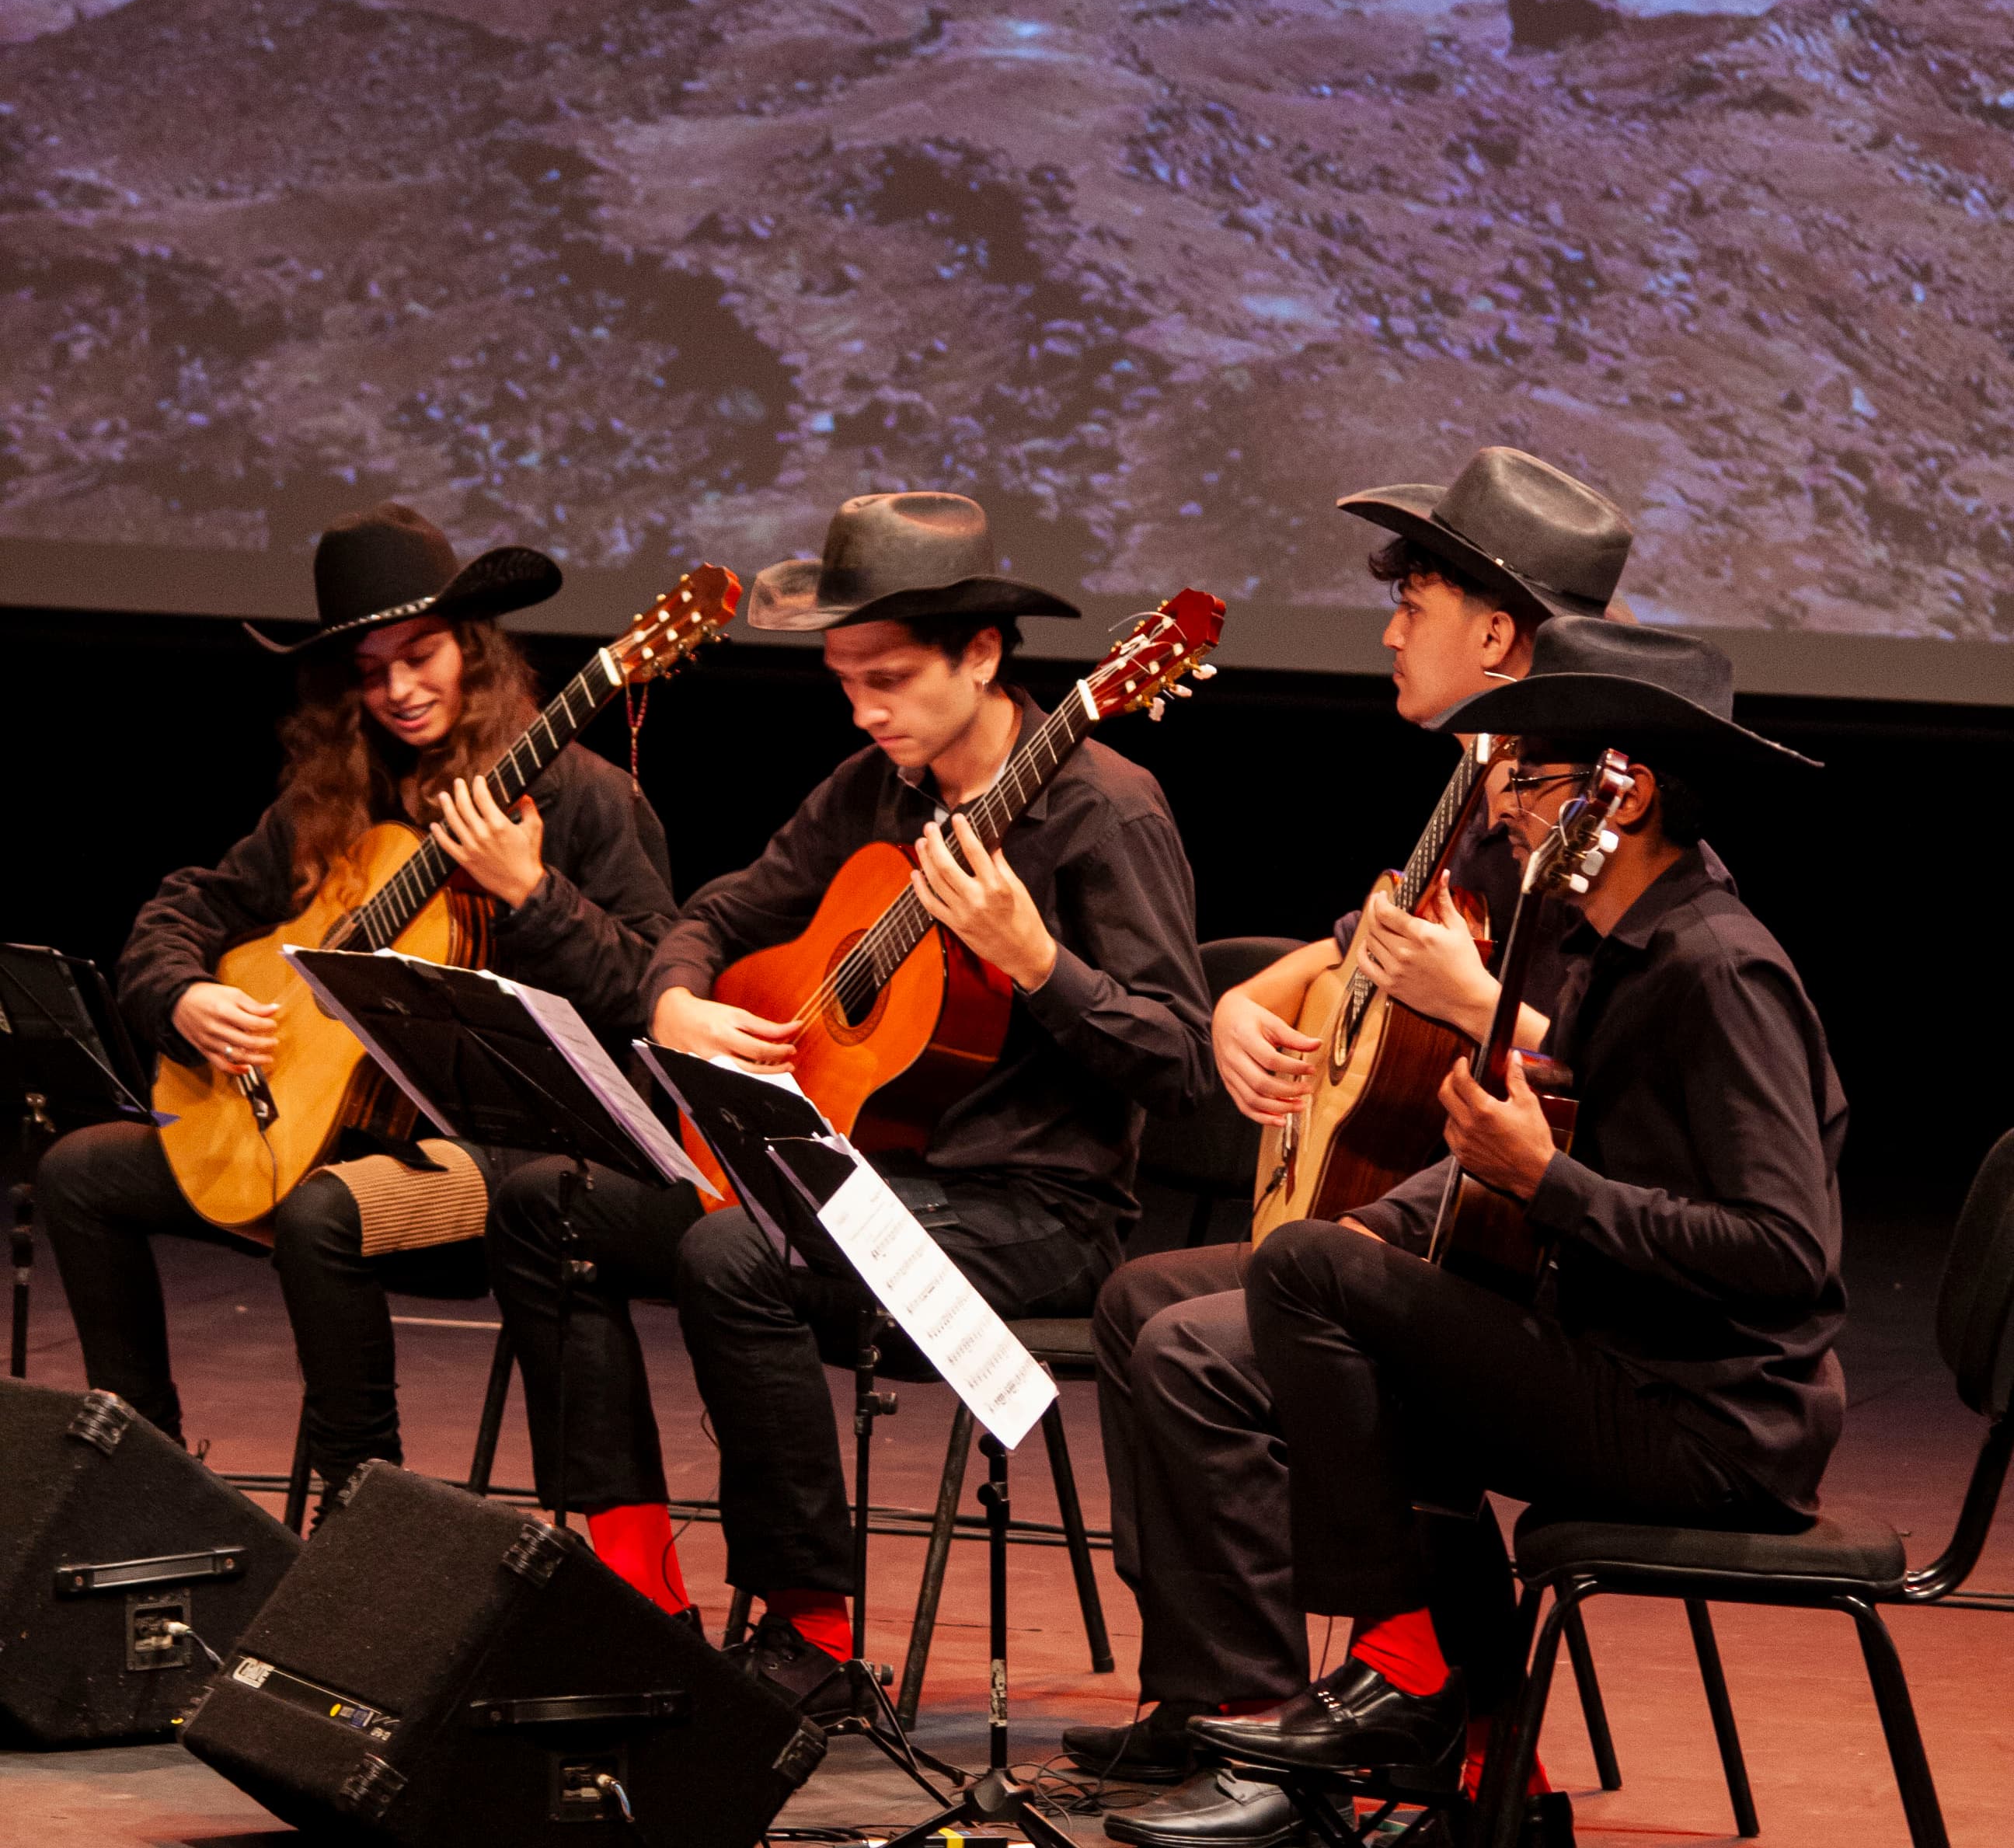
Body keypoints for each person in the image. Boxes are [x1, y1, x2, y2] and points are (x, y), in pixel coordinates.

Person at [1110, 618, 1843, 1848]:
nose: (1504, 807)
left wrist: (1548, 1184)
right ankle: (1448, 1738)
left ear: (1627, 792)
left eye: (1535, 780)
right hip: (1611, 1355)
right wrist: (1414, 1231)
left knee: (1306, 1269)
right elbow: (1491, 1172)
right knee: (1290, 1295)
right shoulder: (1610, 943)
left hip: (1710, 1419)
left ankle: (1411, 1683)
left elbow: (1787, 1253)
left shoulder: (1716, 968)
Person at [486, 490, 1214, 1673]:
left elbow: (1179, 1062)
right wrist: (676, 998)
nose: (864, 710)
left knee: (735, 1253)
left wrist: (1037, 963)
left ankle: (810, 1634)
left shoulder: (1101, 808)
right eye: (843, 681)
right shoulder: (873, 792)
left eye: (889, 678)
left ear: (981, 655)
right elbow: (723, 909)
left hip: (1031, 1212)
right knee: (540, 1204)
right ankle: (633, 1586)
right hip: (865, 1182)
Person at [1068, 448, 1639, 1824]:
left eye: (1417, 600)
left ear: (1497, 634)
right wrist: (1249, 997)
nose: (1389, 629)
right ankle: (1221, 1694)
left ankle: (1288, 1739)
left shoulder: (1580, 812)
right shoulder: (1482, 797)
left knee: (1203, 1339)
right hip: (1442, 1231)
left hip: (1553, 1263)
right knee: (1141, 1296)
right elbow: (1358, 936)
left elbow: (1625, 1076)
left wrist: (1477, 1006)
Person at [39, 505, 678, 1520]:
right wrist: (184, 994)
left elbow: (652, 994)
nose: (399, 691)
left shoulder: (579, 796)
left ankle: (358, 1502)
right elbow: (190, 903)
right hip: (319, 1129)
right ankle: (140, 1474)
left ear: (473, 650)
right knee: (79, 1173)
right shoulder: (339, 793)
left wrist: (532, 896)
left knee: (319, 1213)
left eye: (420, 657)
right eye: (372, 672)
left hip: (500, 1163)